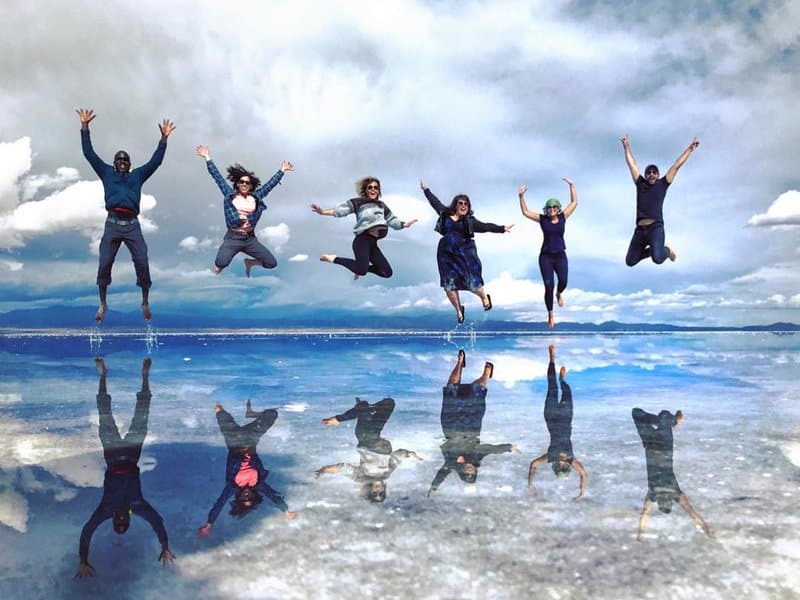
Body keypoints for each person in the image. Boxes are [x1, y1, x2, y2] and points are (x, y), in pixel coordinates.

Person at [76, 357, 174, 579]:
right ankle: (145, 375)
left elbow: (87, 531)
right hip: (131, 455)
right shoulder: (138, 506)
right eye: (124, 522)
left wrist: (83, 559)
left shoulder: (106, 509)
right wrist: (164, 545)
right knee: (142, 413)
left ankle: (102, 375)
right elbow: (156, 522)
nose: (120, 519)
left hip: (111, 454)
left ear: (113, 520)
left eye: (117, 522)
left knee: (104, 411)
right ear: (128, 519)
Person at [77, 108, 175, 322]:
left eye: (125, 160)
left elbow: (155, 162)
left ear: (129, 164)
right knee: (104, 263)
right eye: (119, 159)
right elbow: (89, 154)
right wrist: (85, 126)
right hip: (112, 224)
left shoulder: (138, 175)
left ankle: (145, 301)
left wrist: (164, 139)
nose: (122, 162)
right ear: (114, 163)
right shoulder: (106, 173)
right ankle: (102, 303)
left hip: (132, 225)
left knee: (142, 261)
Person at [198, 401, 297, 538]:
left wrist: (209, 524)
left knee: (220, 411)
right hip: (251, 439)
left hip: (233, 440)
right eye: (249, 497)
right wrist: (285, 511)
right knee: (272, 413)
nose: (246, 495)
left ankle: (218, 399)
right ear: (254, 496)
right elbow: (273, 497)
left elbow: (219, 504)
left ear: (238, 498)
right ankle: (251, 414)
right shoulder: (259, 484)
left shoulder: (232, 487)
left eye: (243, 498)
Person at [420, 181, 513, 323]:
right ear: (455, 205)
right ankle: (458, 309)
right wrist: (426, 190)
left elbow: (486, 226)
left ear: (468, 207)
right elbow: (435, 202)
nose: (463, 206)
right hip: (445, 254)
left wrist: (501, 228)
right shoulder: (445, 214)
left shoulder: (470, 222)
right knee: (448, 284)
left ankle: (484, 297)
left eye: (466, 204)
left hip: (464, 254)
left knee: (471, 282)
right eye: (460, 203)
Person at [195, 145, 293, 277]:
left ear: (251, 185)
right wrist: (207, 157)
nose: (244, 184)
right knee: (220, 262)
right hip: (233, 238)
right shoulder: (230, 194)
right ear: (237, 183)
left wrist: (282, 171)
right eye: (242, 182)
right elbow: (217, 177)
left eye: (247, 182)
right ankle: (220, 267)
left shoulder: (256, 196)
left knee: (271, 263)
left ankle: (250, 263)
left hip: (249, 239)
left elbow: (269, 185)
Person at [428, 350, 517, 495]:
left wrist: (434, 486)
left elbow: (442, 473)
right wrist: (508, 447)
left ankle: (459, 362)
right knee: (477, 392)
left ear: (462, 473)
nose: (470, 472)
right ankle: (486, 374)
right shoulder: (476, 456)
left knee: (451, 389)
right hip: (472, 425)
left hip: (450, 424)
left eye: (467, 475)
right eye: (472, 474)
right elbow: (491, 449)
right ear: (475, 471)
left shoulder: (451, 463)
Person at [316, 397, 422, 502]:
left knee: (363, 408)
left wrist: (323, 470)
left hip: (366, 437)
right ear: (385, 490)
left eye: (375, 493)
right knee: (389, 403)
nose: (378, 491)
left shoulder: (362, 478)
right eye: (381, 493)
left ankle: (349, 414)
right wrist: (408, 454)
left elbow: (343, 468)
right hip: (376, 435)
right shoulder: (386, 474)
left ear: (369, 490)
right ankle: (365, 408)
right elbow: (395, 458)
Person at [312, 177, 417, 280]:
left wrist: (404, 224)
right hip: (362, 240)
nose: (373, 189)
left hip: (373, 243)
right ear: (366, 190)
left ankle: (358, 267)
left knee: (387, 272)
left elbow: (391, 220)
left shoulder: (381, 205)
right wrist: (322, 212)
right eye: (370, 187)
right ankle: (334, 258)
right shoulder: (359, 202)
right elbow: (341, 210)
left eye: (376, 187)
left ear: (379, 190)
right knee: (362, 271)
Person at [632, 407, 712, 541]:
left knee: (637, 413)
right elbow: (691, 512)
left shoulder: (654, 493)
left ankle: (669, 422)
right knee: (664, 415)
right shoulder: (668, 493)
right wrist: (706, 530)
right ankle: (672, 421)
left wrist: (641, 534)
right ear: (669, 500)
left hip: (650, 444)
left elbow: (645, 513)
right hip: (663, 446)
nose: (663, 499)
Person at [621, 134, 699, 267]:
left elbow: (676, 166)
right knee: (630, 261)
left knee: (657, 258)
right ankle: (655, 248)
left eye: (654, 172)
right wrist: (626, 146)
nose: (651, 174)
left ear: (657, 175)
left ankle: (667, 251)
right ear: (646, 176)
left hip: (655, 228)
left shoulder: (663, 184)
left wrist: (690, 149)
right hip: (640, 230)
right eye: (649, 172)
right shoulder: (640, 184)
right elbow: (632, 165)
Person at [527, 345, 587, 499]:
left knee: (551, 387)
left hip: (551, 416)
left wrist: (530, 482)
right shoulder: (571, 459)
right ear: (568, 467)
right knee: (567, 392)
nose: (561, 464)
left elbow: (533, 464)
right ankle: (563, 379)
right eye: (564, 467)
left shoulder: (550, 457)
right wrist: (582, 491)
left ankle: (552, 358)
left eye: (559, 467)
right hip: (566, 417)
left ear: (555, 466)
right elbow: (583, 474)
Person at [518, 179, 578, 328]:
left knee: (563, 281)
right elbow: (525, 212)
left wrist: (571, 186)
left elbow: (574, 202)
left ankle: (559, 294)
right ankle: (551, 314)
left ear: (558, 208)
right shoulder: (542, 219)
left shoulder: (563, 217)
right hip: (546, 257)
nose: (551, 209)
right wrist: (521, 197)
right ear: (546, 209)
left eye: (554, 207)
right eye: (549, 207)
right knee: (548, 286)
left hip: (560, 255)